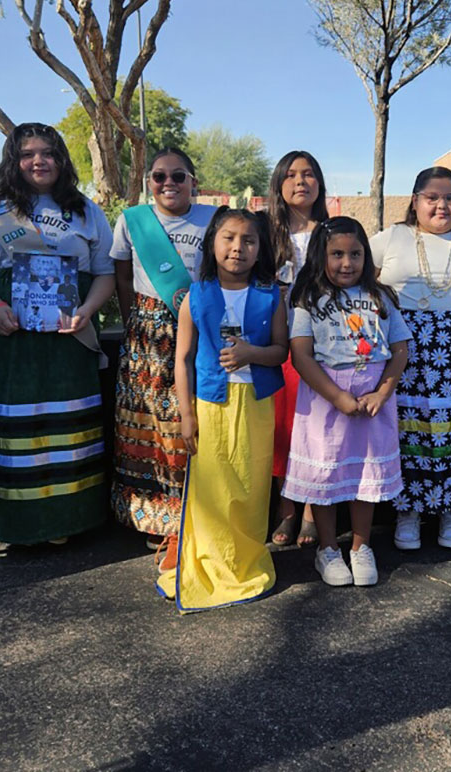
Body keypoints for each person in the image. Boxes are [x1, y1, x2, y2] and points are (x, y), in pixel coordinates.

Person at [0, 122, 115, 546]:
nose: (39, 161)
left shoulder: (85, 210)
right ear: (13, 160)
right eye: (27, 154)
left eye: (48, 152)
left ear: (62, 159)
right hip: (7, 335)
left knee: (66, 422)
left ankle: (66, 518)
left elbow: (104, 272)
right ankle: (15, 522)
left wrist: (87, 311)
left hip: (68, 338)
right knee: (11, 424)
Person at [158, 208, 287, 610]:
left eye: (248, 240)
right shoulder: (195, 296)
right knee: (213, 487)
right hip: (210, 406)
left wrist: (252, 354)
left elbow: (281, 351)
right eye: (228, 238)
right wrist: (187, 414)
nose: (237, 247)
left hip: (257, 405)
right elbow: (182, 360)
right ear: (211, 243)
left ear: (260, 248)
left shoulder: (271, 295)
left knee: (249, 485)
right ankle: (212, 560)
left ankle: (243, 559)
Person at [370, 167, 451, 551]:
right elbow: (365, 280)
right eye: (432, 197)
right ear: (415, 201)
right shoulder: (391, 238)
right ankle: (408, 511)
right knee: (408, 429)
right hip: (406, 351)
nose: (442, 205)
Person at [285, 217, 410, 586]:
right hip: (326, 403)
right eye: (336, 254)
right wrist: (338, 397)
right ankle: (327, 548)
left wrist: (383, 392)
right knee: (326, 474)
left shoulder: (381, 296)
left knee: (365, 475)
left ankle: (360, 545)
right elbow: (301, 355)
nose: (346, 263)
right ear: (319, 256)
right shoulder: (307, 297)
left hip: (372, 406)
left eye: (355, 254)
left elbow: (399, 349)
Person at [110, 148, 217, 566]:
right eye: (159, 177)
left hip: (202, 328)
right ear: (148, 182)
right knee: (151, 427)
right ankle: (161, 522)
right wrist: (135, 321)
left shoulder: (213, 218)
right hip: (148, 337)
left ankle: (194, 515)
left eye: (178, 176)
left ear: (193, 181)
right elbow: (121, 276)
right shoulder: (132, 220)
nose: (168, 183)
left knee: (191, 422)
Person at [264, 150, 329, 547]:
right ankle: (286, 507)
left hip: (323, 346)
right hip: (276, 343)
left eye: (308, 174)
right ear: (278, 183)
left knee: (315, 430)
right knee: (283, 430)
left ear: (319, 182)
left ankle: (310, 510)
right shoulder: (264, 232)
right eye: (290, 175)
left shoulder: (331, 231)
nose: (300, 181)